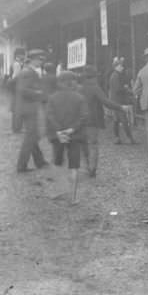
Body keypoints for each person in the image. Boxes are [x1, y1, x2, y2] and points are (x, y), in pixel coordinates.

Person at [46, 71, 88, 205]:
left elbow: (50, 116)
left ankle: (56, 191)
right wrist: (72, 129)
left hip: (58, 135)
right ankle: (73, 197)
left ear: (60, 83)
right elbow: (83, 116)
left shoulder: (52, 98)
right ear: (72, 82)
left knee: (57, 162)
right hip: (74, 135)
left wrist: (59, 131)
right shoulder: (79, 98)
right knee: (74, 166)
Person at [79, 65, 127, 177]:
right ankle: (92, 169)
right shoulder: (95, 87)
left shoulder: (79, 87)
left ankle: (86, 166)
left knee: (84, 144)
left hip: (80, 120)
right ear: (94, 76)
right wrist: (120, 107)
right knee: (93, 144)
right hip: (92, 120)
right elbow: (106, 102)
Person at [15, 49, 49, 173]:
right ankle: (21, 165)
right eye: (40, 59)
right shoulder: (28, 72)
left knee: (32, 135)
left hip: (28, 107)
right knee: (31, 136)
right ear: (33, 60)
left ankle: (39, 161)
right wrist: (37, 93)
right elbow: (22, 90)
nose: (41, 62)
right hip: (28, 108)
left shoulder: (30, 71)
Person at [108, 57, 135, 144]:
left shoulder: (115, 75)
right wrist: (125, 88)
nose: (122, 67)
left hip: (114, 101)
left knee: (116, 120)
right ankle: (129, 138)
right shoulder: (116, 76)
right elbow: (117, 89)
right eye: (121, 66)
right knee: (124, 120)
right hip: (118, 101)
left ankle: (117, 138)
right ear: (116, 67)